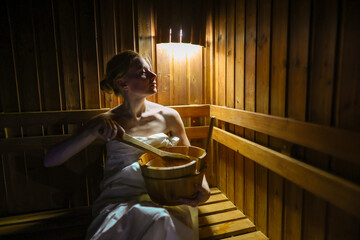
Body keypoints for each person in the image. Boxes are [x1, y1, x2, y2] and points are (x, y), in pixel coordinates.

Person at [44, 50, 210, 240]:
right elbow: (50, 160)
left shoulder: (169, 116)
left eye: (151, 70)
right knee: (152, 220)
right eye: (142, 72)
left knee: (161, 218)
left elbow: (190, 161)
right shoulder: (105, 122)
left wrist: (204, 190)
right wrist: (91, 132)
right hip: (121, 200)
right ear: (122, 83)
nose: (153, 76)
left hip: (167, 196)